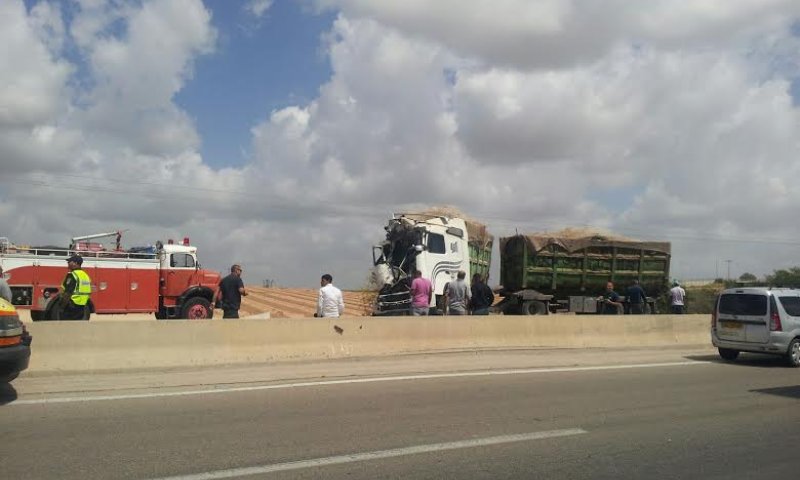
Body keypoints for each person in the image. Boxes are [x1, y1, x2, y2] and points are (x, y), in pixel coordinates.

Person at [59, 255, 92, 320]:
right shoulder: (86, 275)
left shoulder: (72, 275)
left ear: (76, 263)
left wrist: (61, 307)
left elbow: (67, 293)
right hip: (82, 307)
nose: (68, 263)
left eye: (70, 261)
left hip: (71, 307)